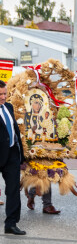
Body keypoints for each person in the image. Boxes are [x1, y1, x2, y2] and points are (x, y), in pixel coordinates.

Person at [0, 80, 26, 235]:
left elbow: (15, 130)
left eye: (5, 93)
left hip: (11, 155)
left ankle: (11, 223)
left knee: (13, 190)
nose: (3, 97)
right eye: (0, 94)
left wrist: (20, 154)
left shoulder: (8, 107)